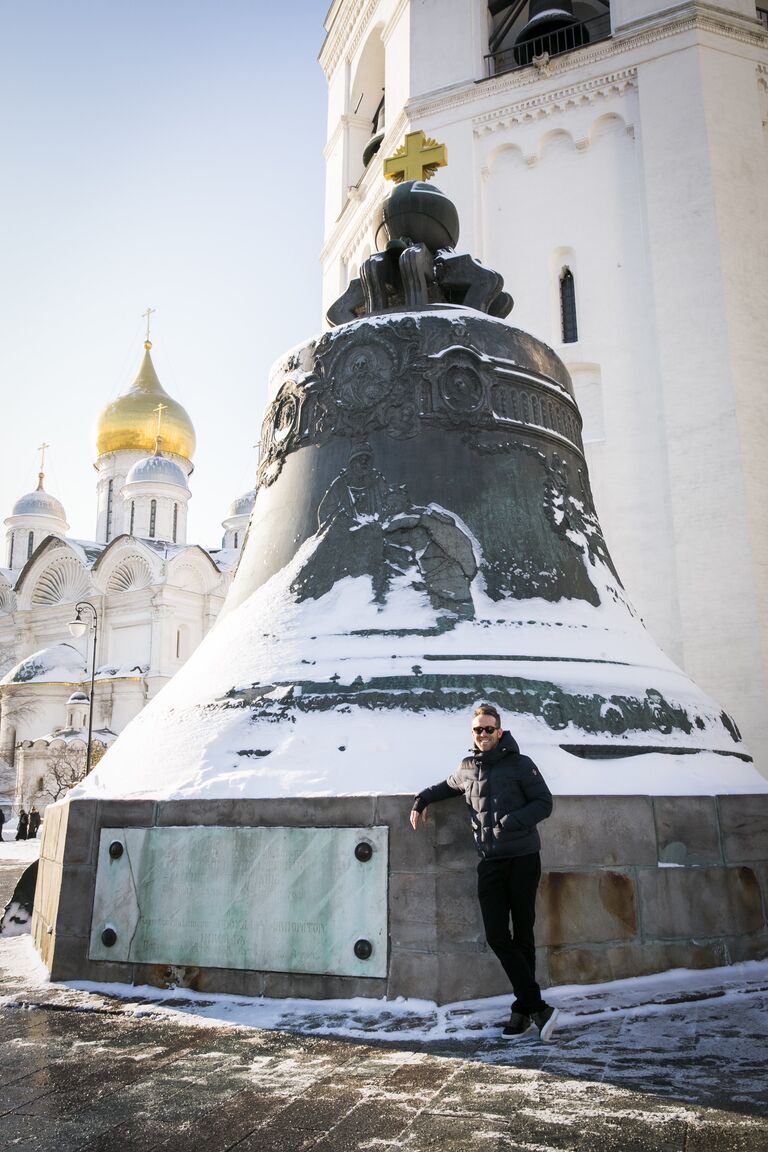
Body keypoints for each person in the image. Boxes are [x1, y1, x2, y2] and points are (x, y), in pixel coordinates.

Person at [410, 704, 558, 1041]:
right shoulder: (467, 768)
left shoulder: (521, 765)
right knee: (496, 934)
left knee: (523, 935)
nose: (483, 735)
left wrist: (510, 822)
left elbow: (544, 803)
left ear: (500, 732)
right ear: (472, 734)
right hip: (490, 863)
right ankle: (537, 1006)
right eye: (478, 730)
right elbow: (445, 787)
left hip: (522, 859)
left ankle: (522, 1012)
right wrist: (421, 799)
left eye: (489, 729)